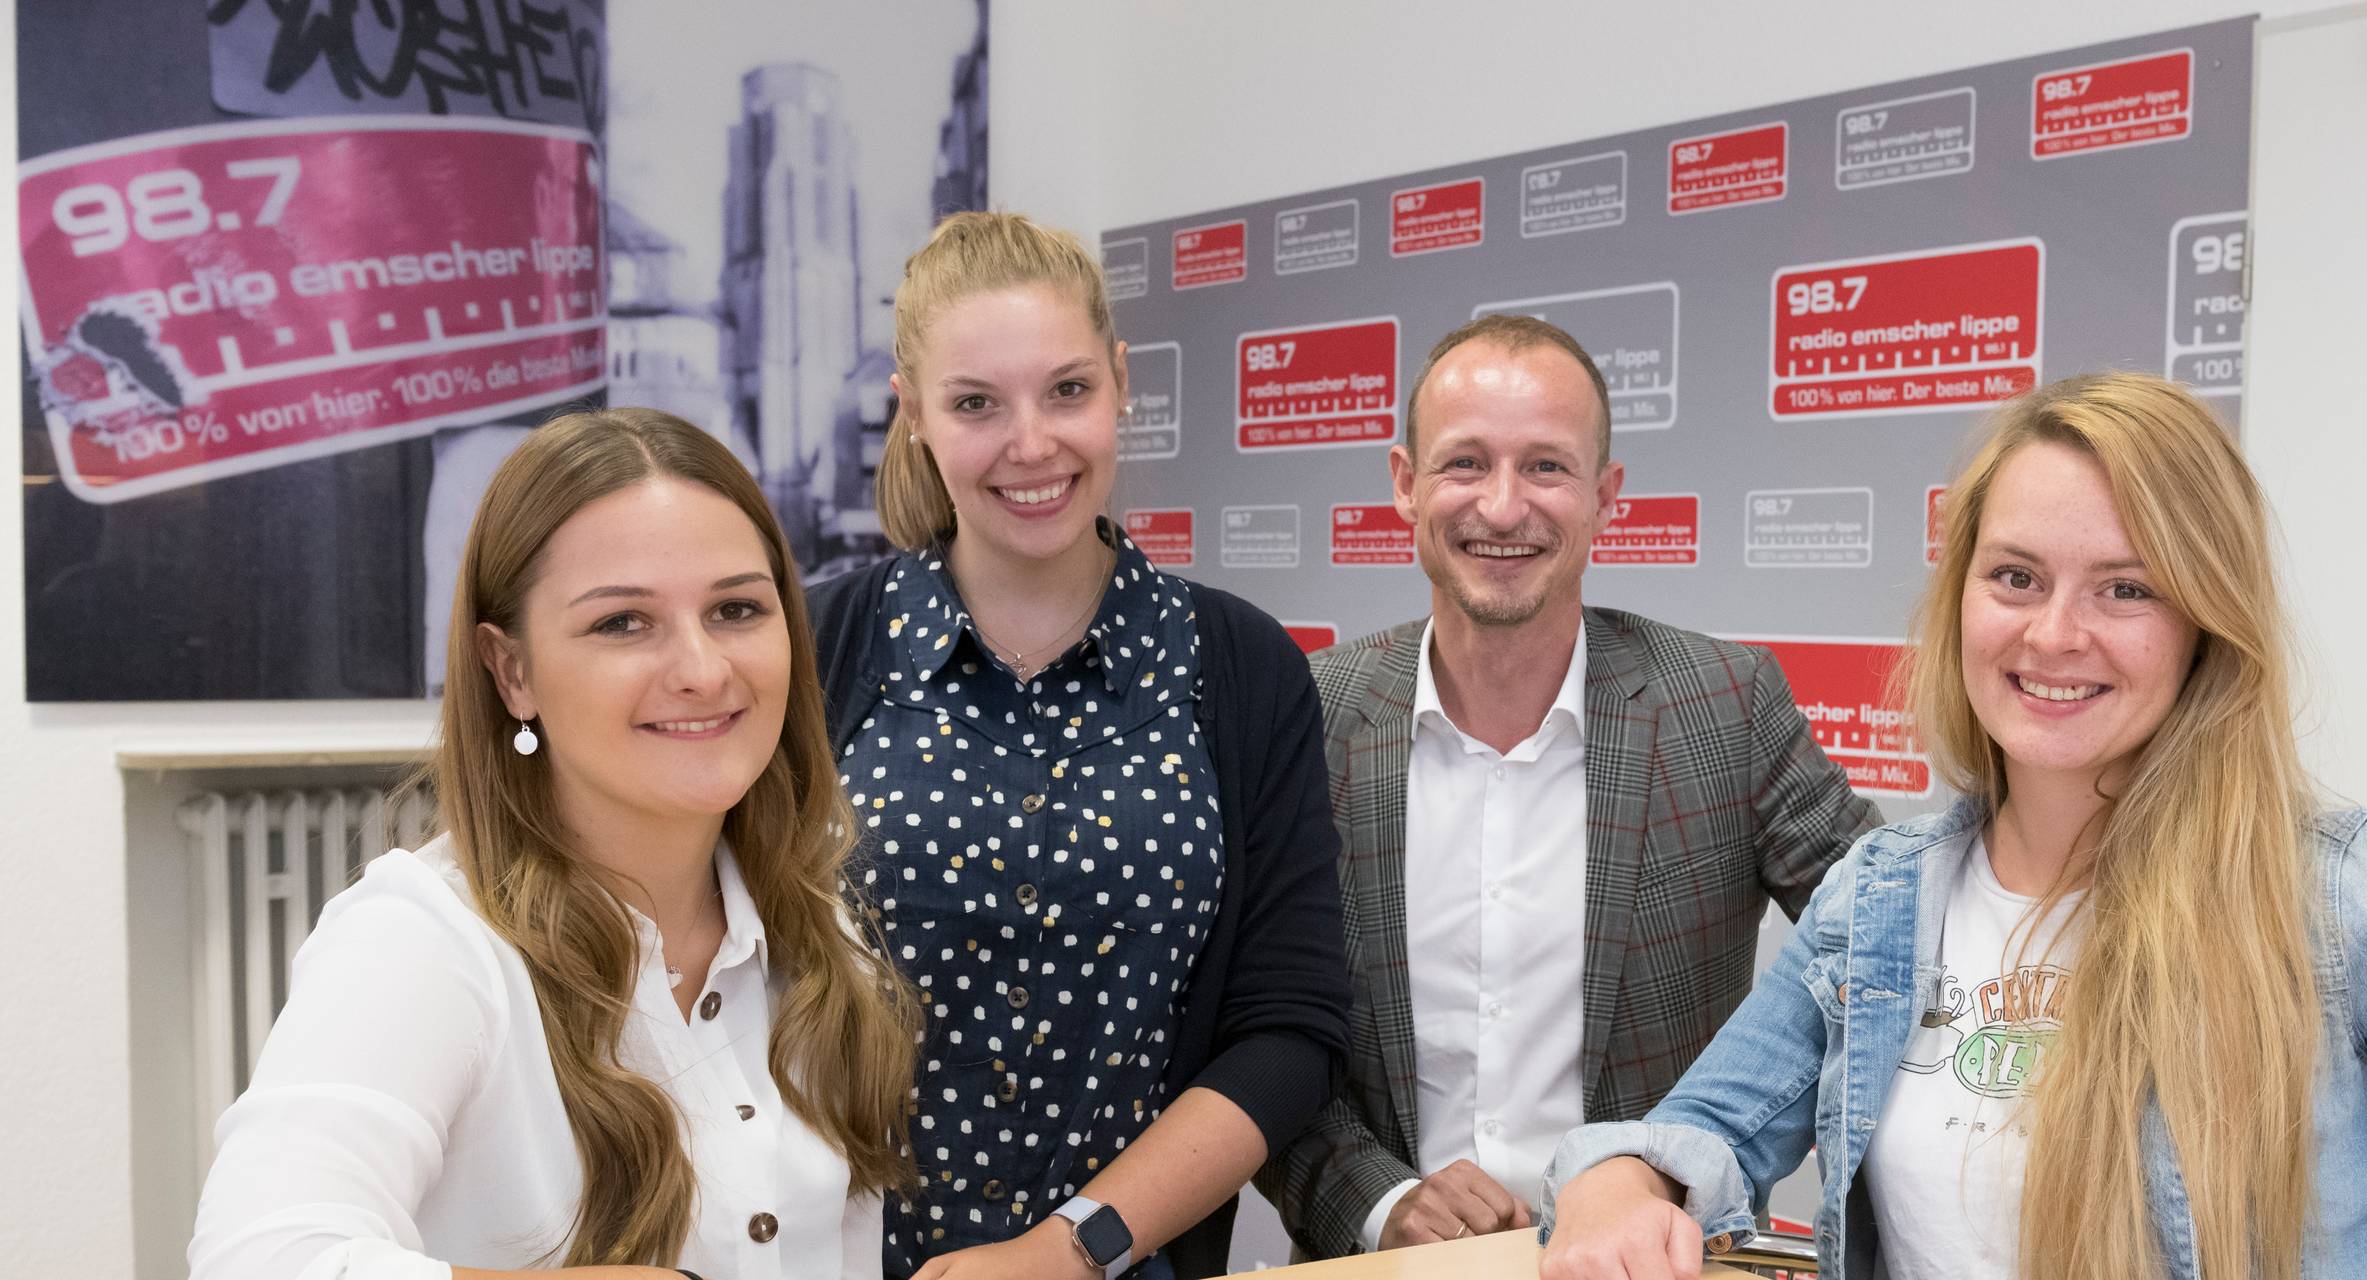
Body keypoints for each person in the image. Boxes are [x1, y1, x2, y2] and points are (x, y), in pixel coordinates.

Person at [1536, 372, 2367, 1280]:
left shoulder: (2342, 905)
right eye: (2016, 575)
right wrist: (1613, 1182)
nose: (2053, 635)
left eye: (2125, 588)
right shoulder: (1884, 896)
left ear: (2205, 622)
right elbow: (1692, 1136)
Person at [188, 408, 920, 1279]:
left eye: (736, 609)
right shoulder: (424, 939)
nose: (703, 668)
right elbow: (259, 1258)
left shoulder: (813, 935)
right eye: (623, 623)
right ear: (513, 672)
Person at [1259, 314, 1881, 1260]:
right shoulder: (1309, 713)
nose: (1504, 509)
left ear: (1605, 495)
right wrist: (1381, 1202)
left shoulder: (1724, 704)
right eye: (1466, 463)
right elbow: (1254, 1022)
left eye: (1546, 467)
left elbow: (1885, 939)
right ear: (1403, 484)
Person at [805, 211, 1350, 1280]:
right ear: (911, 413)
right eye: (974, 403)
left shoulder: (1240, 667)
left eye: (1067, 389)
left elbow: (1289, 1031)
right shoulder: (816, 650)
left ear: (1120, 380)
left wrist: (1075, 1245)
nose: (1032, 443)